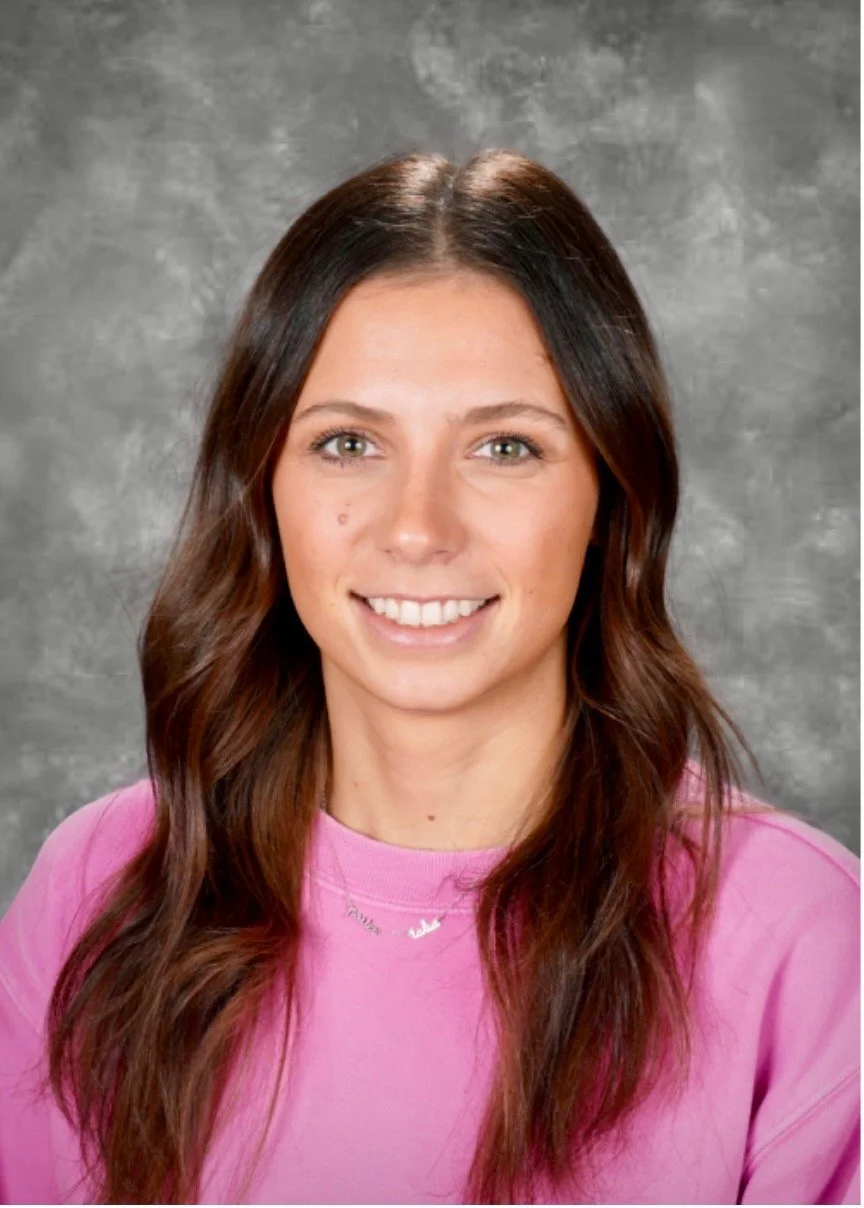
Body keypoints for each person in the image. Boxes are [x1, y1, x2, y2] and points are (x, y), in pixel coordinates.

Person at [0, 148, 858, 1205]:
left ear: (611, 496)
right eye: (347, 442)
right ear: (261, 487)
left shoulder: (803, 940)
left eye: (504, 448)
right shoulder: (97, 891)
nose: (417, 528)